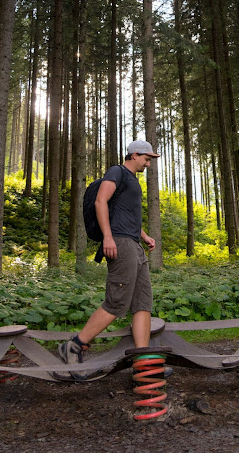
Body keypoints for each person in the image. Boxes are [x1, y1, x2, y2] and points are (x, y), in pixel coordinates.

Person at [57, 140, 159, 380]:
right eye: (146, 158)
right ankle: (73, 346)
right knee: (116, 302)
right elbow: (100, 201)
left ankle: (142, 362)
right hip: (120, 244)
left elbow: (126, 214)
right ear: (134, 155)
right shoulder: (117, 171)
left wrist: (144, 236)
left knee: (143, 304)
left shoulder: (133, 181)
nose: (148, 163)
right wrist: (108, 238)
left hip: (134, 245)